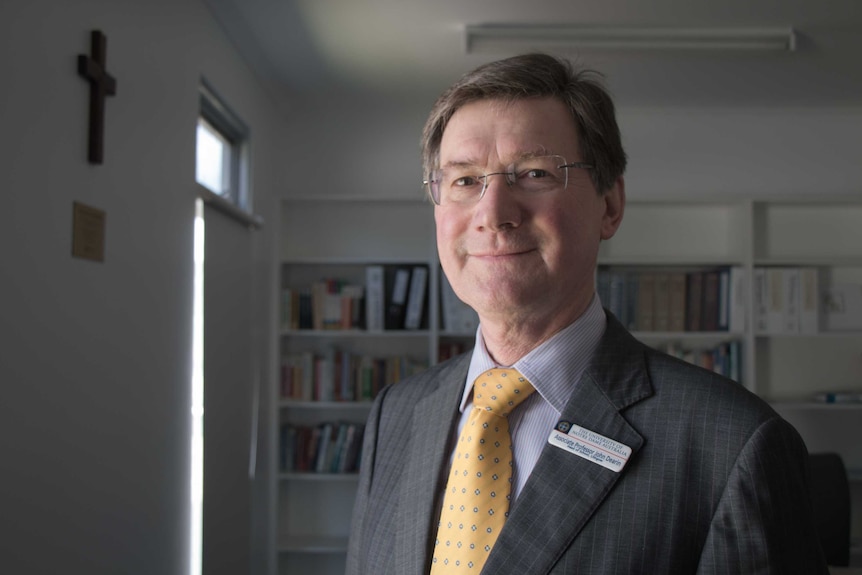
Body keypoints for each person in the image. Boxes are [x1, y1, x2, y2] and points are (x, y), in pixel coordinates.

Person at [346, 53, 827, 574]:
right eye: (464, 181)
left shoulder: (733, 445)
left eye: (534, 173)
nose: (493, 213)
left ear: (610, 205)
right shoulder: (396, 413)